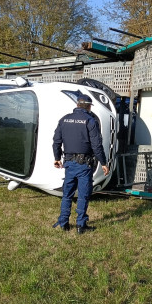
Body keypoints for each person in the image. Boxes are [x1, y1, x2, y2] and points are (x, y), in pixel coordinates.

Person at [52, 94, 109, 234]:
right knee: (83, 195)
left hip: (69, 163)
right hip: (84, 164)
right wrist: (103, 162)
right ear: (89, 106)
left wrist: (57, 157)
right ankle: (81, 225)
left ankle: (63, 222)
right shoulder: (89, 120)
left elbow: (56, 141)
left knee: (67, 194)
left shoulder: (64, 119)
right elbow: (97, 145)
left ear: (77, 105)